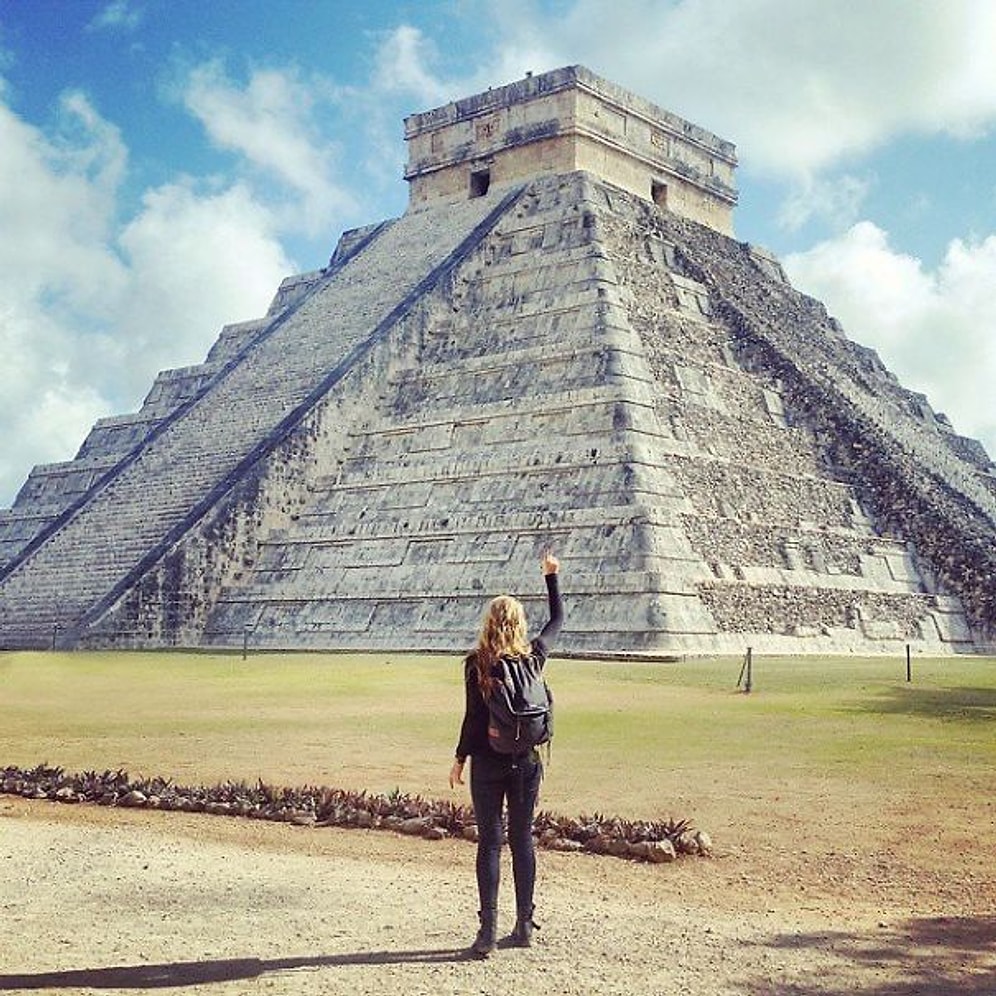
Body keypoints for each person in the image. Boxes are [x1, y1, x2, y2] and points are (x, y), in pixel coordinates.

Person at [449, 551, 564, 958]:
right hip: (528, 762)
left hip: (488, 762)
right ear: (518, 624)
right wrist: (551, 577)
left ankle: (487, 934)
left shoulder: (477, 663)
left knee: (490, 843)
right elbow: (557, 621)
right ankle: (524, 926)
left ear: (489, 623)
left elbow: (472, 718)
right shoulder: (533, 658)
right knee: (523, 839)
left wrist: (460, 758)